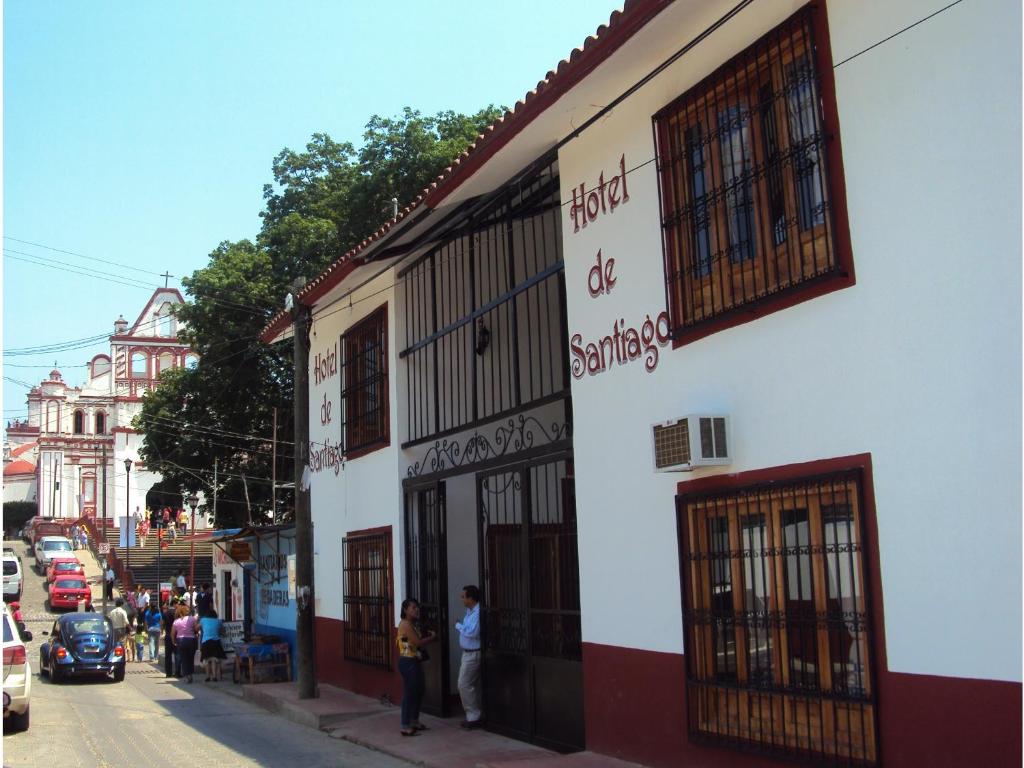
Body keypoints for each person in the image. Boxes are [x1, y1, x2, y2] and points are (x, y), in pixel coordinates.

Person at [396, 598, 437, 737]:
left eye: (417, 607)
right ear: (405, 610)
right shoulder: (406, 624)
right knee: (410, 692)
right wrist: (432, 638)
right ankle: (405, 724)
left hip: (413, 660)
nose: (416, 609)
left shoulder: (412, 624)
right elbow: (418, 642)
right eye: (413, 607)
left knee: (419, 690)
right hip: (407, 662)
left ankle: (414, 720)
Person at [455, 584, 483, 729]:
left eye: (464, 597)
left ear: (471, 598)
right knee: (471, 684)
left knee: (463, 684)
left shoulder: (478, 613)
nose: (462, 599)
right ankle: (476, 713)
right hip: (467, 653)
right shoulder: (469, 611)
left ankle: (473, 716)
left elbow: (472, 632)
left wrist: (458, 626)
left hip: (473, 653)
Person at [171, 604, 198, 683]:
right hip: (191, 640)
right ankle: (190, 673)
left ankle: (187, 675)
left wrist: (173, 641)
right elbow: (196, 628)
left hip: (181, 640)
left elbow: (172, 633)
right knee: (190, 658)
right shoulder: (192, 619)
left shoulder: (176, 621)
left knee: (184, 658)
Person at [198, 609, 227, 682]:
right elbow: (223, 632)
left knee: (207, 660)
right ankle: (214, 676)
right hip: (216, 642)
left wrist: (202, 628)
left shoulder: (203, 620)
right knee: (214, 659)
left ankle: (207, 676)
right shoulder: (218, 621)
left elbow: (196, 628)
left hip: (206, 642)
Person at [161, 600, 177, 678]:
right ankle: (178, 672)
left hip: (168, 634)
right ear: (174, 604)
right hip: (176, 635)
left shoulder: (165, 613)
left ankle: (168, 673)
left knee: (168, 655)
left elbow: (162, 623)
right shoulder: (176, 613)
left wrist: (162, 630)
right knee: (177, 654)